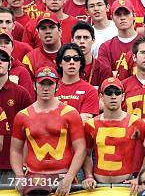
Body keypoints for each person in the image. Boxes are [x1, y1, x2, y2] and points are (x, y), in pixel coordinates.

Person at [10, 66, 85, 196]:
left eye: (50, 83)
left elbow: (81, 148)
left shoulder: (70, 113)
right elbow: (15, 150)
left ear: (57, 86)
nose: (46, 88)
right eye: (42, 83)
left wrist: (69, 177)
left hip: (64, 175)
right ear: (34, 85)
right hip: (34, 178)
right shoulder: (22, 115)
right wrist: (19, 175)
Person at [82, 77, 145, 188]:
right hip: (97, 185)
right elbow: (86, 154)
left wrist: (141, 176)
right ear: (101, 97)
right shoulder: (91, 124)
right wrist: (89, 176)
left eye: (117, 93)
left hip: (126, 184)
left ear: (123, 96)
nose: (113, 96)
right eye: (109, 93)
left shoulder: (135, 122)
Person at [0, 48, 33, 182]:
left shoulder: (21, 93)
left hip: (13, 165)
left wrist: (25, 163)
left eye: (3, 58)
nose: (0, 62)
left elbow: (30, 130)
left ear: (10, 63)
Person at [55, 42, 99, 122]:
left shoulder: (90, 91)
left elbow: (83, 121)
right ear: (60, 63)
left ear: (81, 63)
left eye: (76, 58)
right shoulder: (52, 88)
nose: (72, 62)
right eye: (67, 58)